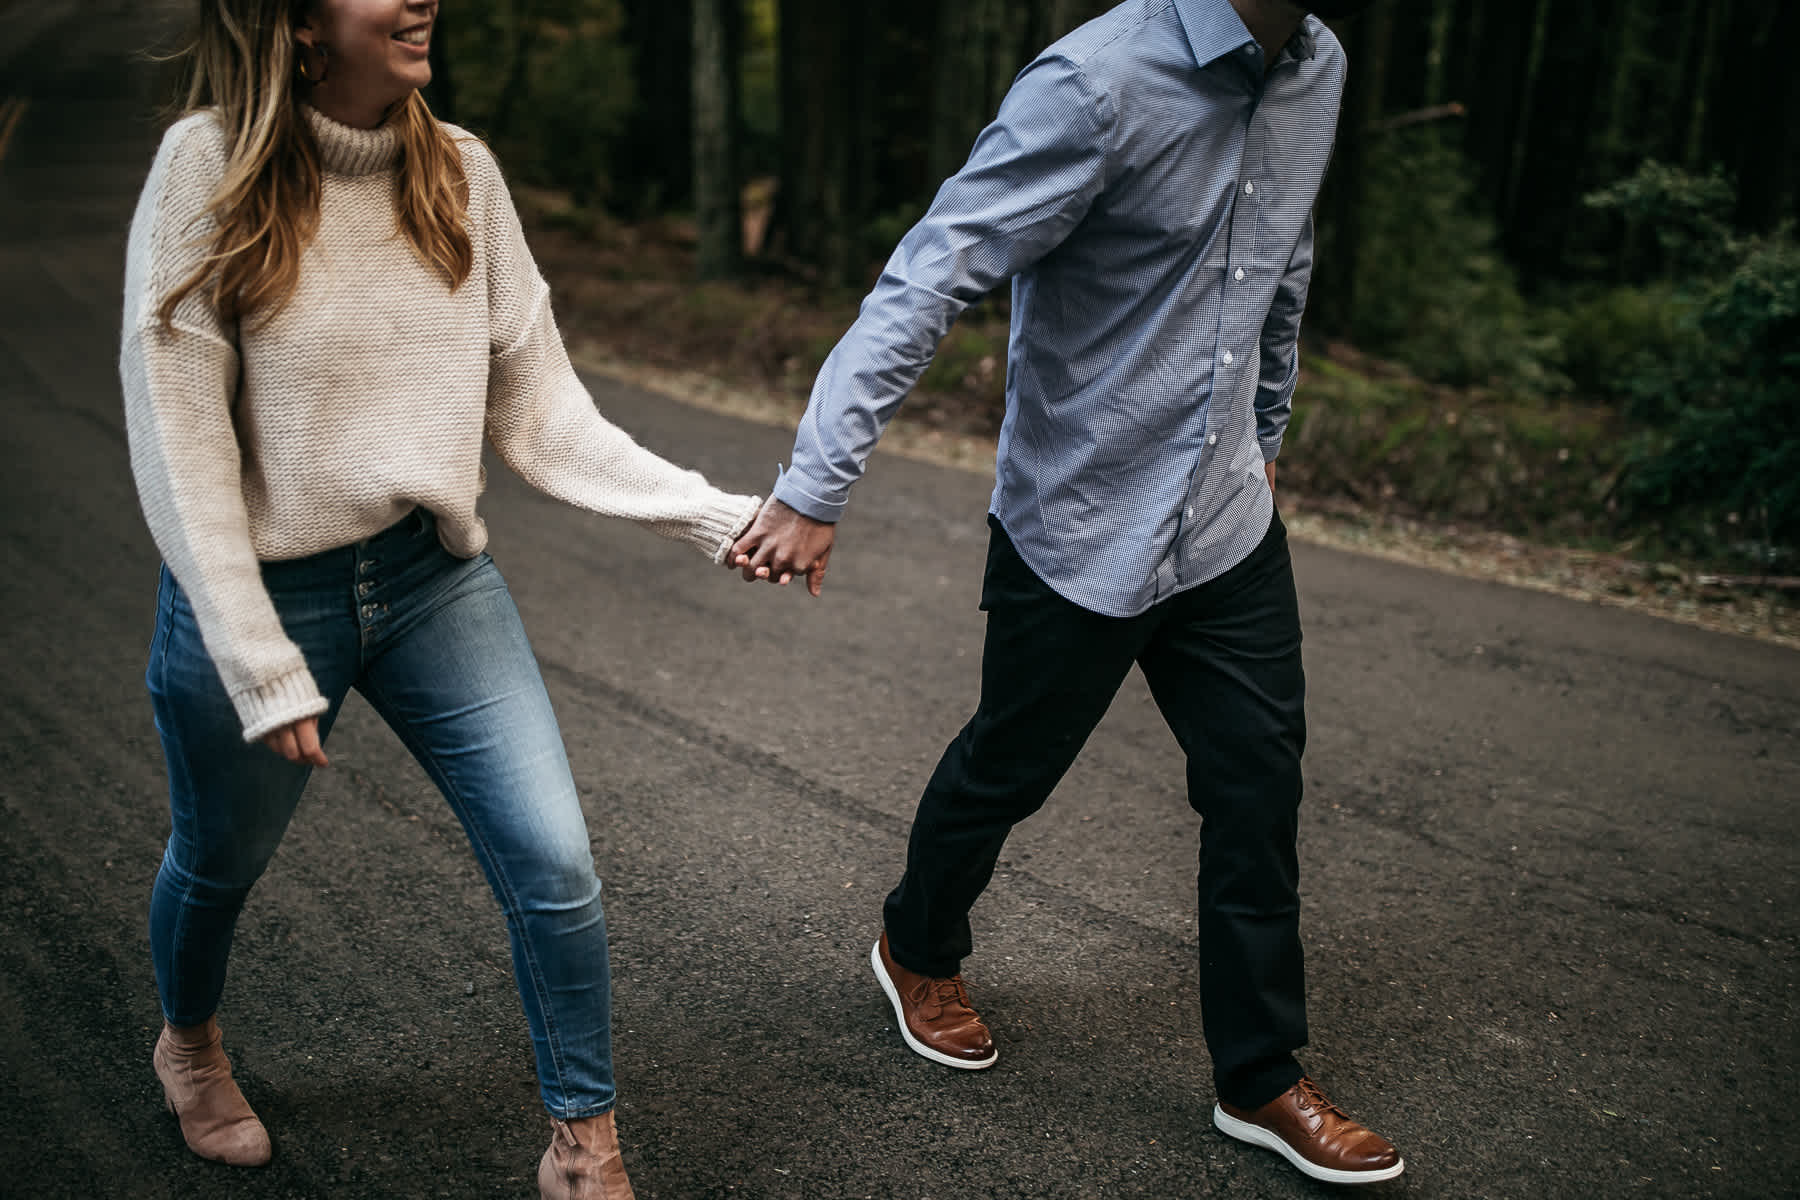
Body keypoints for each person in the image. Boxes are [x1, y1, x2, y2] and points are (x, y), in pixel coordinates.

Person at [728, 0, 1402, 1186]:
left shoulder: (1319, 67)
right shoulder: (1095, 82)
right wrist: (814, 485)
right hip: (1081, 523)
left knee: (1258, 784)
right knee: (1009, 765)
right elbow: (927, 277)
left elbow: (1284, 257)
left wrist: (1268, 428)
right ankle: (916, 942)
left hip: (1228, 517)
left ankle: (1260, 1076)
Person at [122, 2, 756, 1195]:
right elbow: (179, 436)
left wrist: (715, 515)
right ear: (302, 24)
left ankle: (584, 1146)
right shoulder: (204, 166)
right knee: (218, 862)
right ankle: (190, 1045)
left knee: (554, 860)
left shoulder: (460, 171)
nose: (422, 1)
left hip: (429, 582)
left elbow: (543, 410)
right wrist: (257, 657)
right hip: (259, 596)